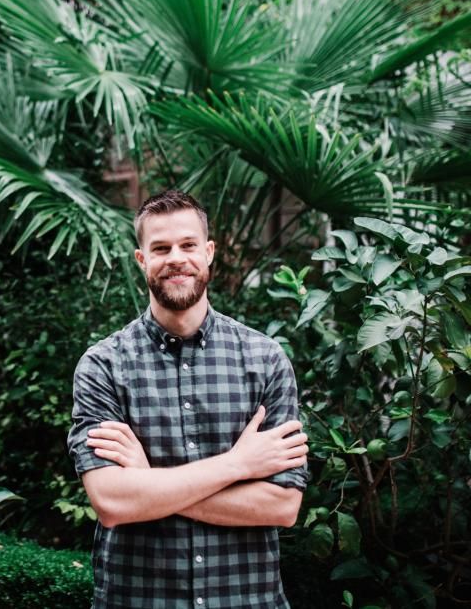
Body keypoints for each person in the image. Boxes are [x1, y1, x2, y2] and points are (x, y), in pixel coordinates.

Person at [67, 190, 309, 609]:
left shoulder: (265, 359)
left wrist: (148, 483)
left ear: (209, 252)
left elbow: (283, 505)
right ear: (141, 259)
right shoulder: (104, 365)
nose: (176, 258)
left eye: (188, 245)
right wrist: (238, 465)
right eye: (161, 248)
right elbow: (113, 502)